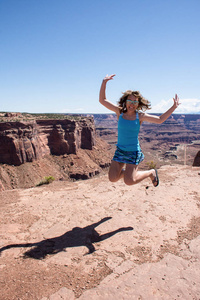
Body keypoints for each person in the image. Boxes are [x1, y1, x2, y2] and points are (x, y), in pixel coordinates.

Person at [99, 74, 180, 187]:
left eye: (135, 102)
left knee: (129, 181)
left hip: (133, 152)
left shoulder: (140, 116)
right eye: (130, 101)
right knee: (113, 178)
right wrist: (104, 82)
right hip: (120, 150)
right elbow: (102, 100)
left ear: (138, 104)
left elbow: (160, 119)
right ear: (125, 101)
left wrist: (173, 107)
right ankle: (128, 173)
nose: (132, 104)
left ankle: (151, 172)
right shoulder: (120, 112)